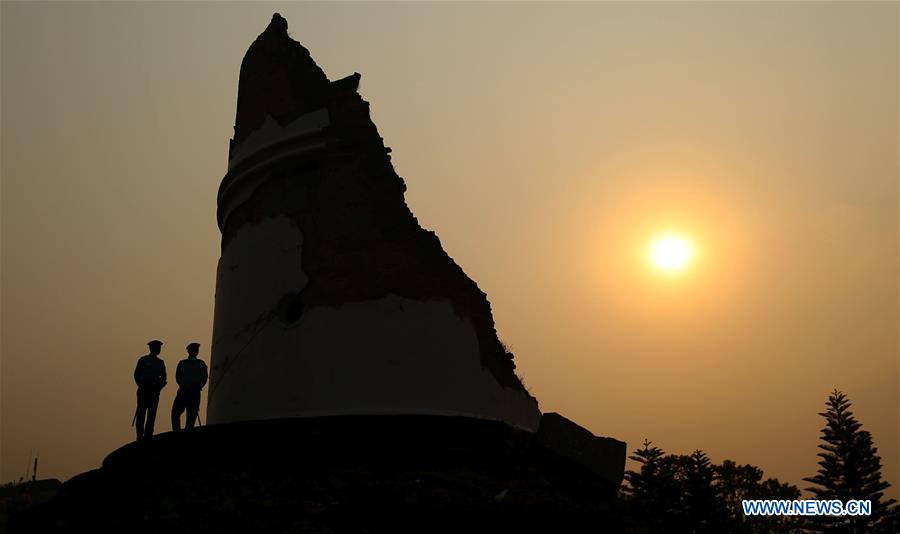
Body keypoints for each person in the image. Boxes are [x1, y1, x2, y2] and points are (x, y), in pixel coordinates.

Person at [133, 340, 167, 441]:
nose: (158, 349)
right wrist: (142, 385)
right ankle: (140, 435)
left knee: (151, 415)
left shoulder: (160, 362)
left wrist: (158, 387)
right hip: (144, 390)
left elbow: (164, 378)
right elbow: (136, 374)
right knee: (141, 414)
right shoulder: (143, 360)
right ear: (151, 348)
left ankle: (148, 435)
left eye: (159, 347)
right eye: (156, 347)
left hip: (154, 391)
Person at [171, 342, 208, 431]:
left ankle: (188, 430)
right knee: (175, 412)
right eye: (194, 350)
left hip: (195, 391)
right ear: (189, 351)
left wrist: (199, 386)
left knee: (192, 415)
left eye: (196, 350)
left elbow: (204, 377)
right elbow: (178, 377)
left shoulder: (201, 363)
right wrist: (183, 385)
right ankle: (176, 431)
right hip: (183, 391)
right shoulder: (182, 363)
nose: (195, 351)